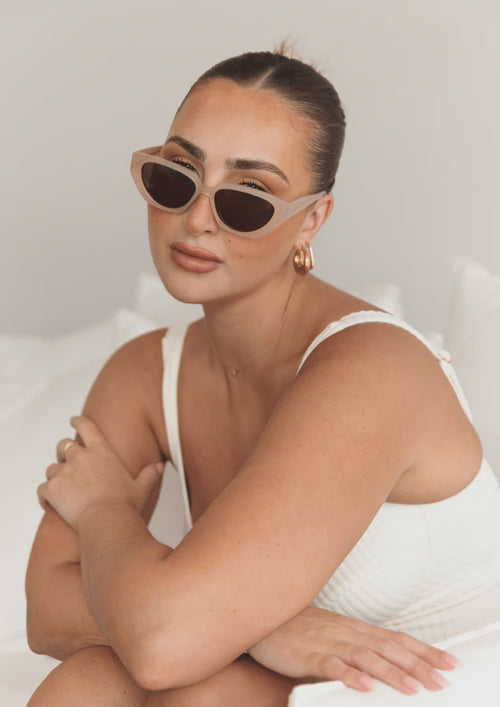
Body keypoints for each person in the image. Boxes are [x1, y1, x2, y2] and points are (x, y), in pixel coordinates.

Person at [25, 42, 500, 706]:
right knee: (86, 683)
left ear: (312, 219)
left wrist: (104, 508)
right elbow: (46, 608)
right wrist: (263, 630)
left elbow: (164, 643)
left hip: (442, 679)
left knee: (194, 690)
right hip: (289, 676)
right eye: (177, 177)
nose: (196, 219)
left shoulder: (372, 369)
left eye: (247, 198)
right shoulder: (144, 373)